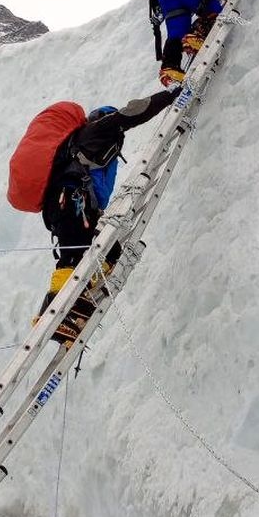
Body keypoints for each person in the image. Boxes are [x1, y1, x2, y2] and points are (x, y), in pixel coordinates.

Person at [30, 86, 179, 338]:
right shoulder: (96, 130)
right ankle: (54, 313)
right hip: (72, 202)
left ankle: (73, 310)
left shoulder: (84, 146)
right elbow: (133, 112)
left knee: (110, 252)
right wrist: (170, 96)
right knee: (72, 258)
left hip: (73, 206)